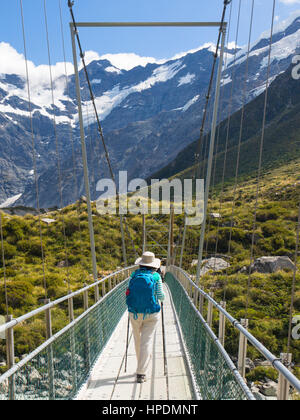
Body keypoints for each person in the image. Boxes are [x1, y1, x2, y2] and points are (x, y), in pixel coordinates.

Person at [126, 251, 165, 383]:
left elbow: (128, 292)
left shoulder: (133, 275)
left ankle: (140, 363)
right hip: (151, 314)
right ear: (154, 265)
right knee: (146, 341)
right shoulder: (156, 277)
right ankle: (141, 372)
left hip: (135, 312)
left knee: (137, 339)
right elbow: (161, 296)